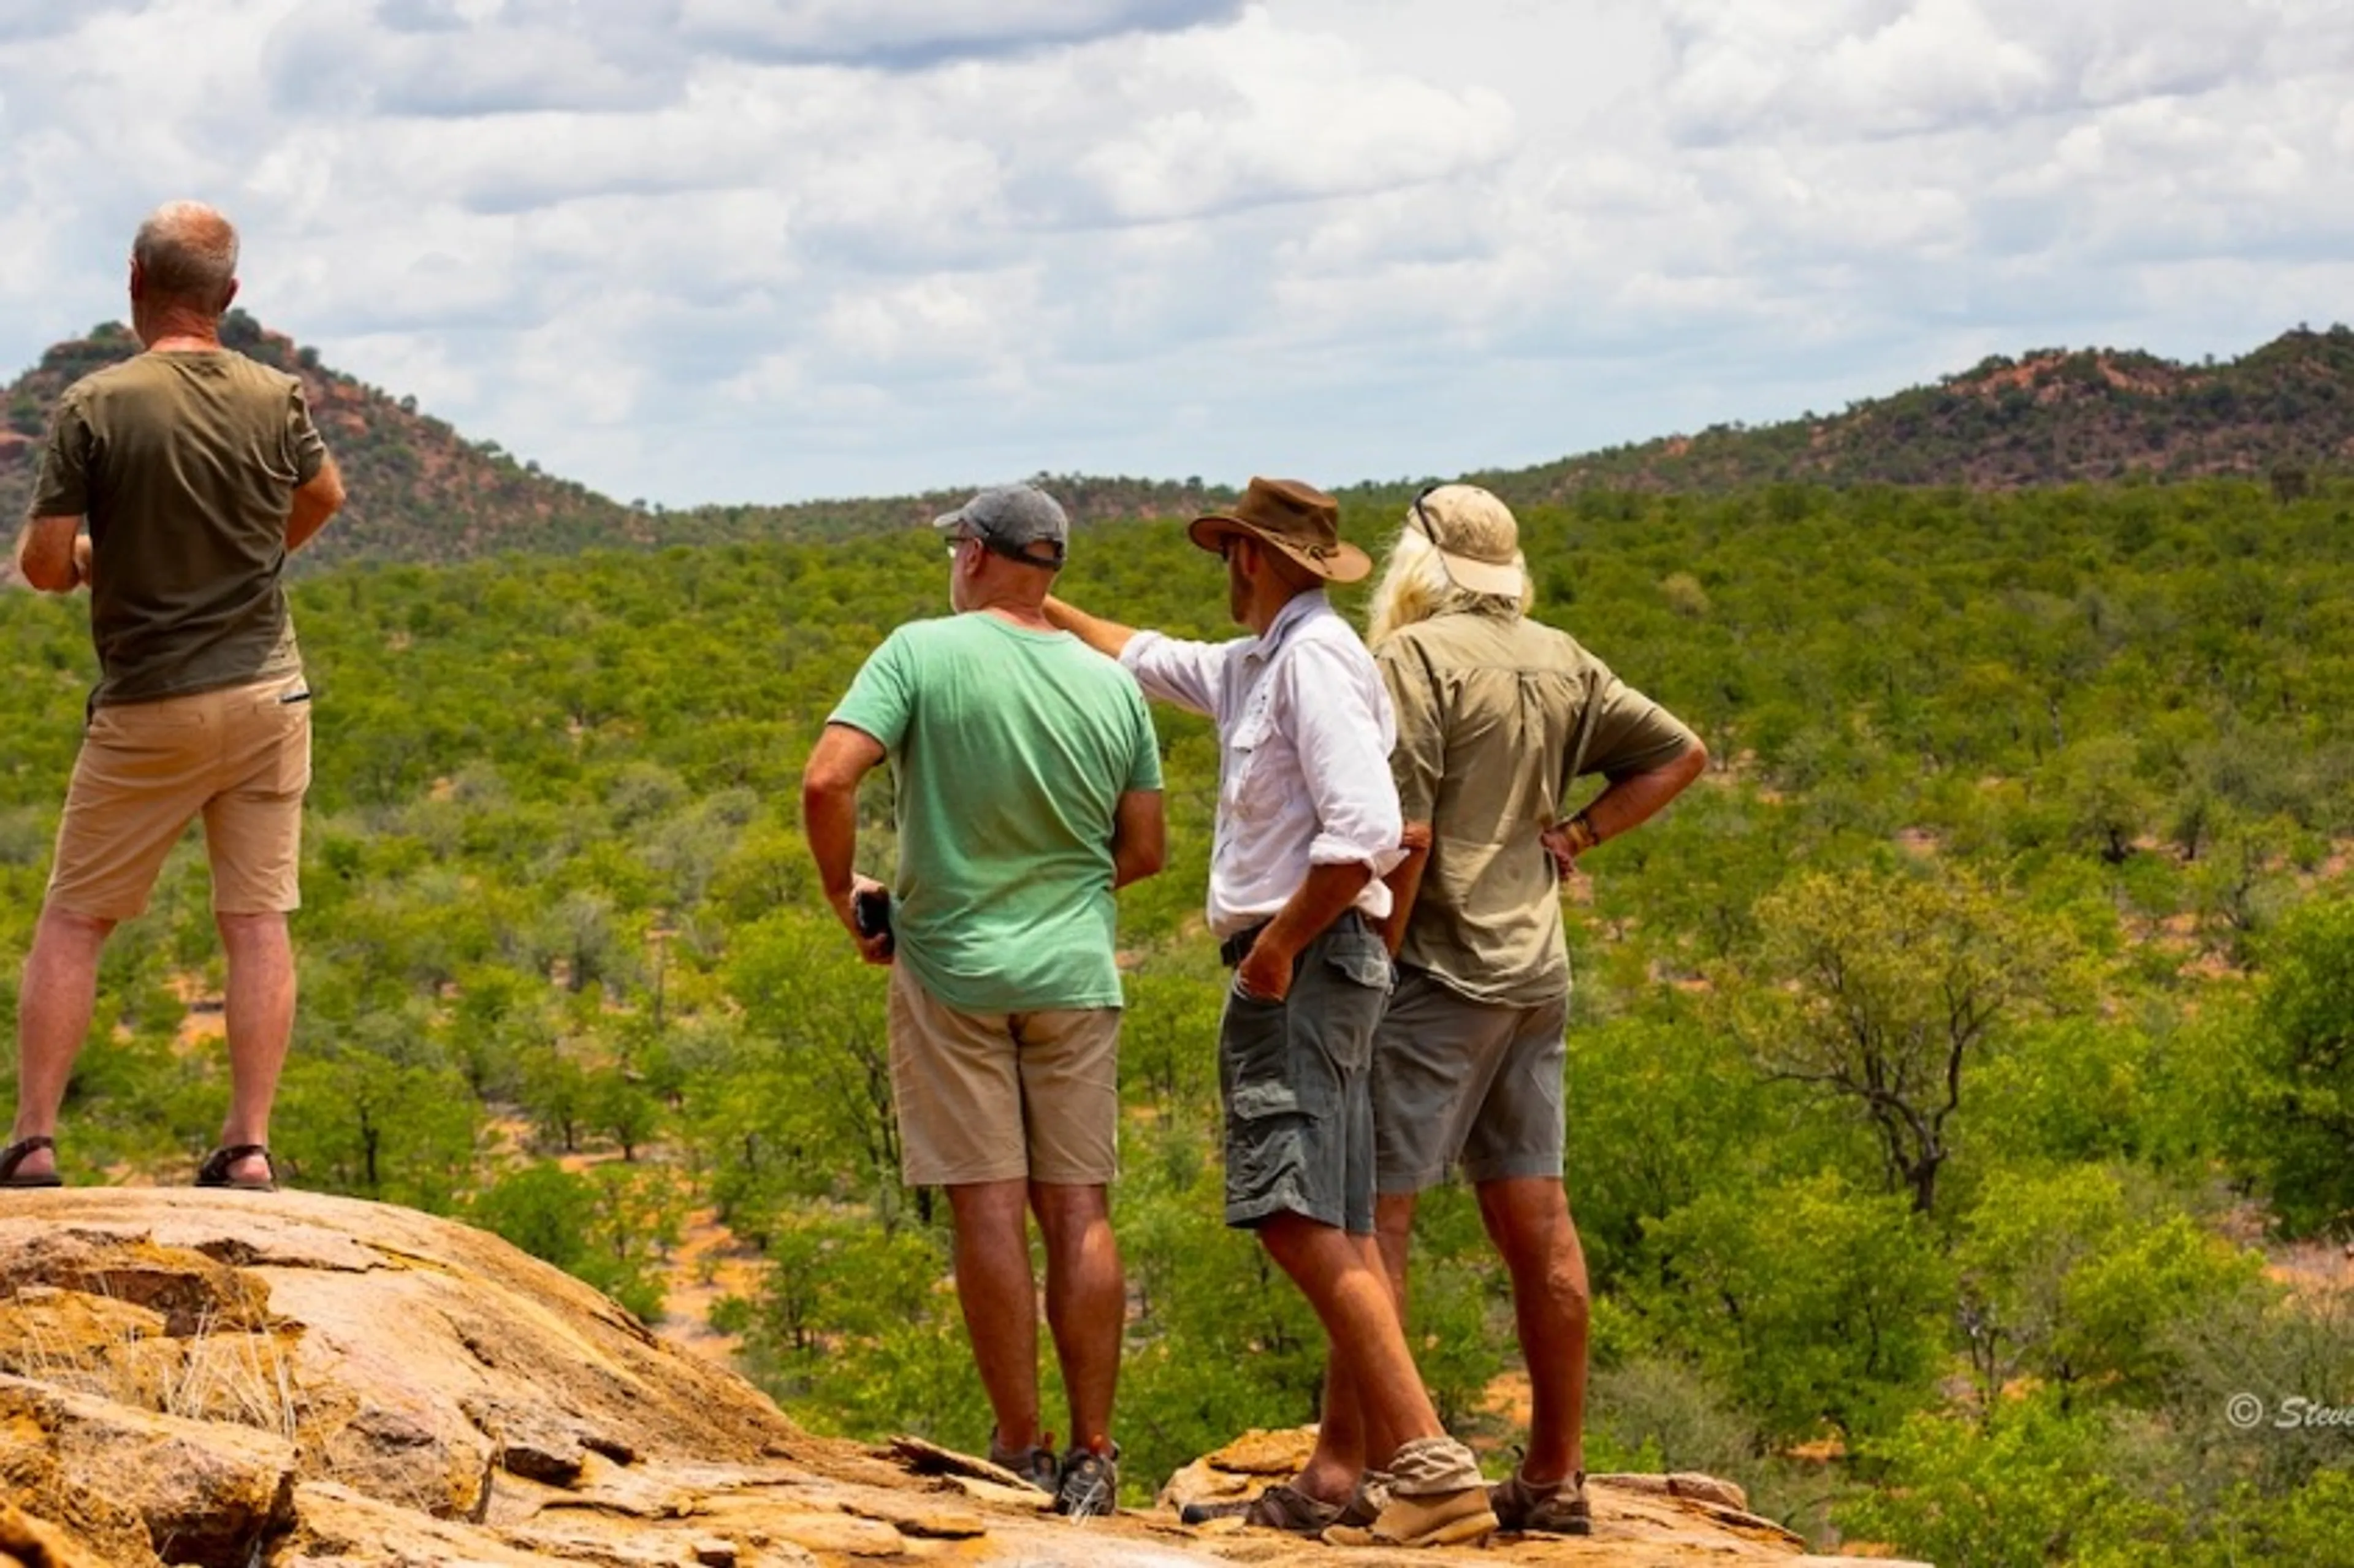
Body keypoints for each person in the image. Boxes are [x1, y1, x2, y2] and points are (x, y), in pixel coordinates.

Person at [1045, 476, 1498, 1550]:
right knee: (1334, 1223)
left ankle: (1429, 1460)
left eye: (1230, 555)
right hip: (1323, 963)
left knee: (1293, 1212)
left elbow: (1367, 830)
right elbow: (1146, 653)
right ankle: (1370, 1470)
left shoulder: (1315, 661)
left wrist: (1280, 953)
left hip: (1297, 965)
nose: (1225, 574)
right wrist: (1039, 608)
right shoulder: (1260, 664)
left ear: (1254, 559)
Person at [801, 483, 1165, 1519]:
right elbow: (1144, 851)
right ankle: (1096, 1453)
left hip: (953, 968)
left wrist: (848, 893)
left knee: (989, 1204)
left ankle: (1019, 1447)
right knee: (1081, 1207)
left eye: (955, 545)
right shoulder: (1112, 685)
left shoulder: (920, 650)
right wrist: (1059, 890)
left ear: (974, 553)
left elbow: (830, 780)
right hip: (1075, 974)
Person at [1363, 482, 1705, 1534]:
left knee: (1374, 1219)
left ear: (1416, 565)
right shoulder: (1564, 655)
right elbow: (1679, 751)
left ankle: (1399, 1471)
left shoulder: (1411, 661)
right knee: (1538, 1218)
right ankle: (1554, 1475)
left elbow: (1407, 837)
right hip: (1535, 973)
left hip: (1435, 972)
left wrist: (1372, 963)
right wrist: (1584, 834)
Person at [2, 201, 346, 1195]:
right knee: (256, 919)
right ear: (229, 298)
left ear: (133, 281)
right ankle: (247, 1146)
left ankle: (33, 1143)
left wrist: (98, 559)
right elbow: (323, 498)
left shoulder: (95, 405)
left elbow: (42, 564)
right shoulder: (275, 393)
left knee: (75, 916)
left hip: (149, 701)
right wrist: (249, 555)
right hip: (268, 695)